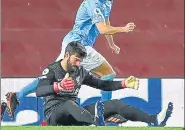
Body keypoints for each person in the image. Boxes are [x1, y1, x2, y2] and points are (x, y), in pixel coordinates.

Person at [6, 0, 136, 119]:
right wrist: (123, 29)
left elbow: (106, 21)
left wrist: (111, 43)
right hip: (78, 45)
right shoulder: (94, 3)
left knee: (52, 76)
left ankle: (17, 96)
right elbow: (101, 28)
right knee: (108, 74)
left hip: (76, 44)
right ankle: (105, 113)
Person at [36, 41, 173, 126]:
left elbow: (102, 85)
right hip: (54, 116)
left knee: (116, 104)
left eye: (80, 61)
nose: (78, 64)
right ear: (66, 55)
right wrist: (58, 86)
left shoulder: (80, 71)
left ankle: (153, 120)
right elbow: (39, 91)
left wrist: (123, 84)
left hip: (76, 115)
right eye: (76, 60)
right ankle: (97, 121)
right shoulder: (52, 70)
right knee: (69, 104)